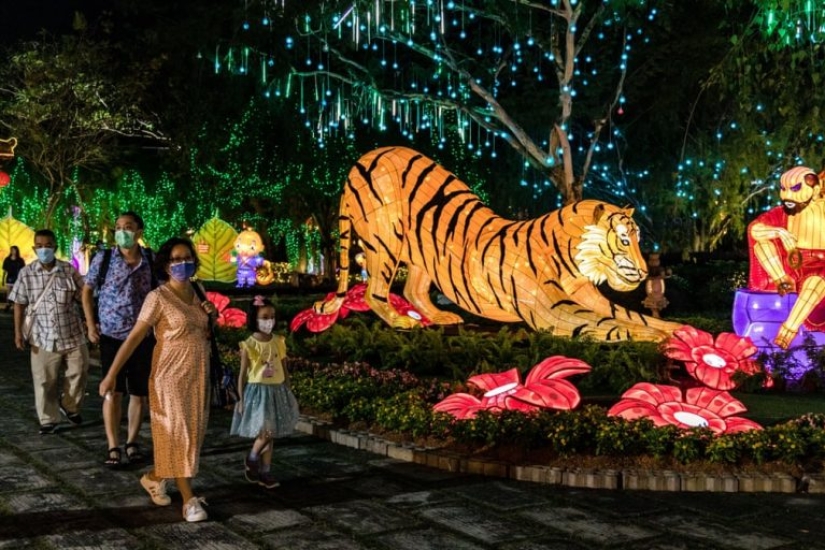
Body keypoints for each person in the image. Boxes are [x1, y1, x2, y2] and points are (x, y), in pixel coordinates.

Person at [98, 237, 217, 523]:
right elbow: (134, 337)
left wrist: (212, 317)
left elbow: (204, 333)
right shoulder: (158, 297)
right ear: (165, 265)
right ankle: (189, 501)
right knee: (179, 435)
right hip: (169, 377)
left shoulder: (198, 291)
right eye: (176, 259)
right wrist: (111, 374)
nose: (182, 263)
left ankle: (153, 478)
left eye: (187, 257)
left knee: (192, 438)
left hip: (198, 374)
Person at [82, 212, 156, 467]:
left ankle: (132, 442)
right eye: (118, 227)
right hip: (111, 335)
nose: (122, 231)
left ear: (139, 231)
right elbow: (87, 291)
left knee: (138, 393)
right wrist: (90, 324)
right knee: (112, 391)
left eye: (128, 226)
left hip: (143, 336)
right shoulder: (104, 258)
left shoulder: (150, 260)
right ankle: (113, 445)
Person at [10, 229, 89, 434]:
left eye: (48, 245)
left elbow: (84, 296)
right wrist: (18, 333)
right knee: (44, 380)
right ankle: (48, 419)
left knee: (80, 371)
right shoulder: (26, 273)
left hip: (72, 333)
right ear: (34, 248)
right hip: (42, 336)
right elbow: (19, 303)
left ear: (55, 247)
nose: (44, 249)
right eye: (40, 246)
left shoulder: (68, 270)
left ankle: (70, 406)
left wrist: (90, 320)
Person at [231, 295, 299, 489]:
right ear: (255, 318)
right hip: (257, 392)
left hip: (277, 390)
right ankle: (252, 457)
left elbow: (284, 368)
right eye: (265, 317)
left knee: (270, 433)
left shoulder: (279, 341)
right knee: (267, 431)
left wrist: (289, 390)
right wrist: (241, 399)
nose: (270, 321)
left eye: (272, 317)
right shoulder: (249, 344)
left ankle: (265, 472)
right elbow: (242, 374)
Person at [642, 253, 670, 318]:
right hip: (654, 286)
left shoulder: (659, 270)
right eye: (652, 260)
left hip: (655, 286)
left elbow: (661, 286)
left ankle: (655, 316)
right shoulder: (651, 271)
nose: (654, 262)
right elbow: (649, 286)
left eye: (656, 260)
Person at [2, 245, 25, 311]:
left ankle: (15, 306)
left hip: (17, 278)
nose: (13, 251)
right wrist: (3, 279)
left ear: (17, 251)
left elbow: (23, 270)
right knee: (8, 292)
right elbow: (5, 270)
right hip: (9, 278)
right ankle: (7, 304)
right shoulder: (7, 259)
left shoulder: (20, 260)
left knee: (16, 292)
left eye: (14, 250)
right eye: (12, 250)